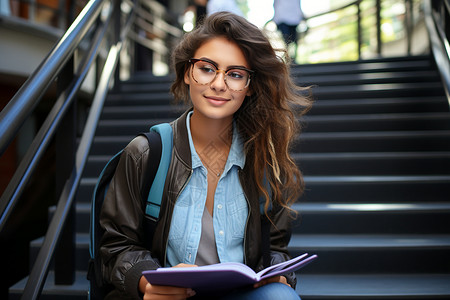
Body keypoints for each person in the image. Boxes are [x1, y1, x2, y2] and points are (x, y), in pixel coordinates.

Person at [99, 11, 312, 300]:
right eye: (207, 68)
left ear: (248, 87)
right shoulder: (146, 153)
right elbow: (116, 246)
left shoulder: (264, 158)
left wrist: (278, 274)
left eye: (235, 74)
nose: (219, 84)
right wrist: (147, 283)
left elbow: (274, 248)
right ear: (188, 72)